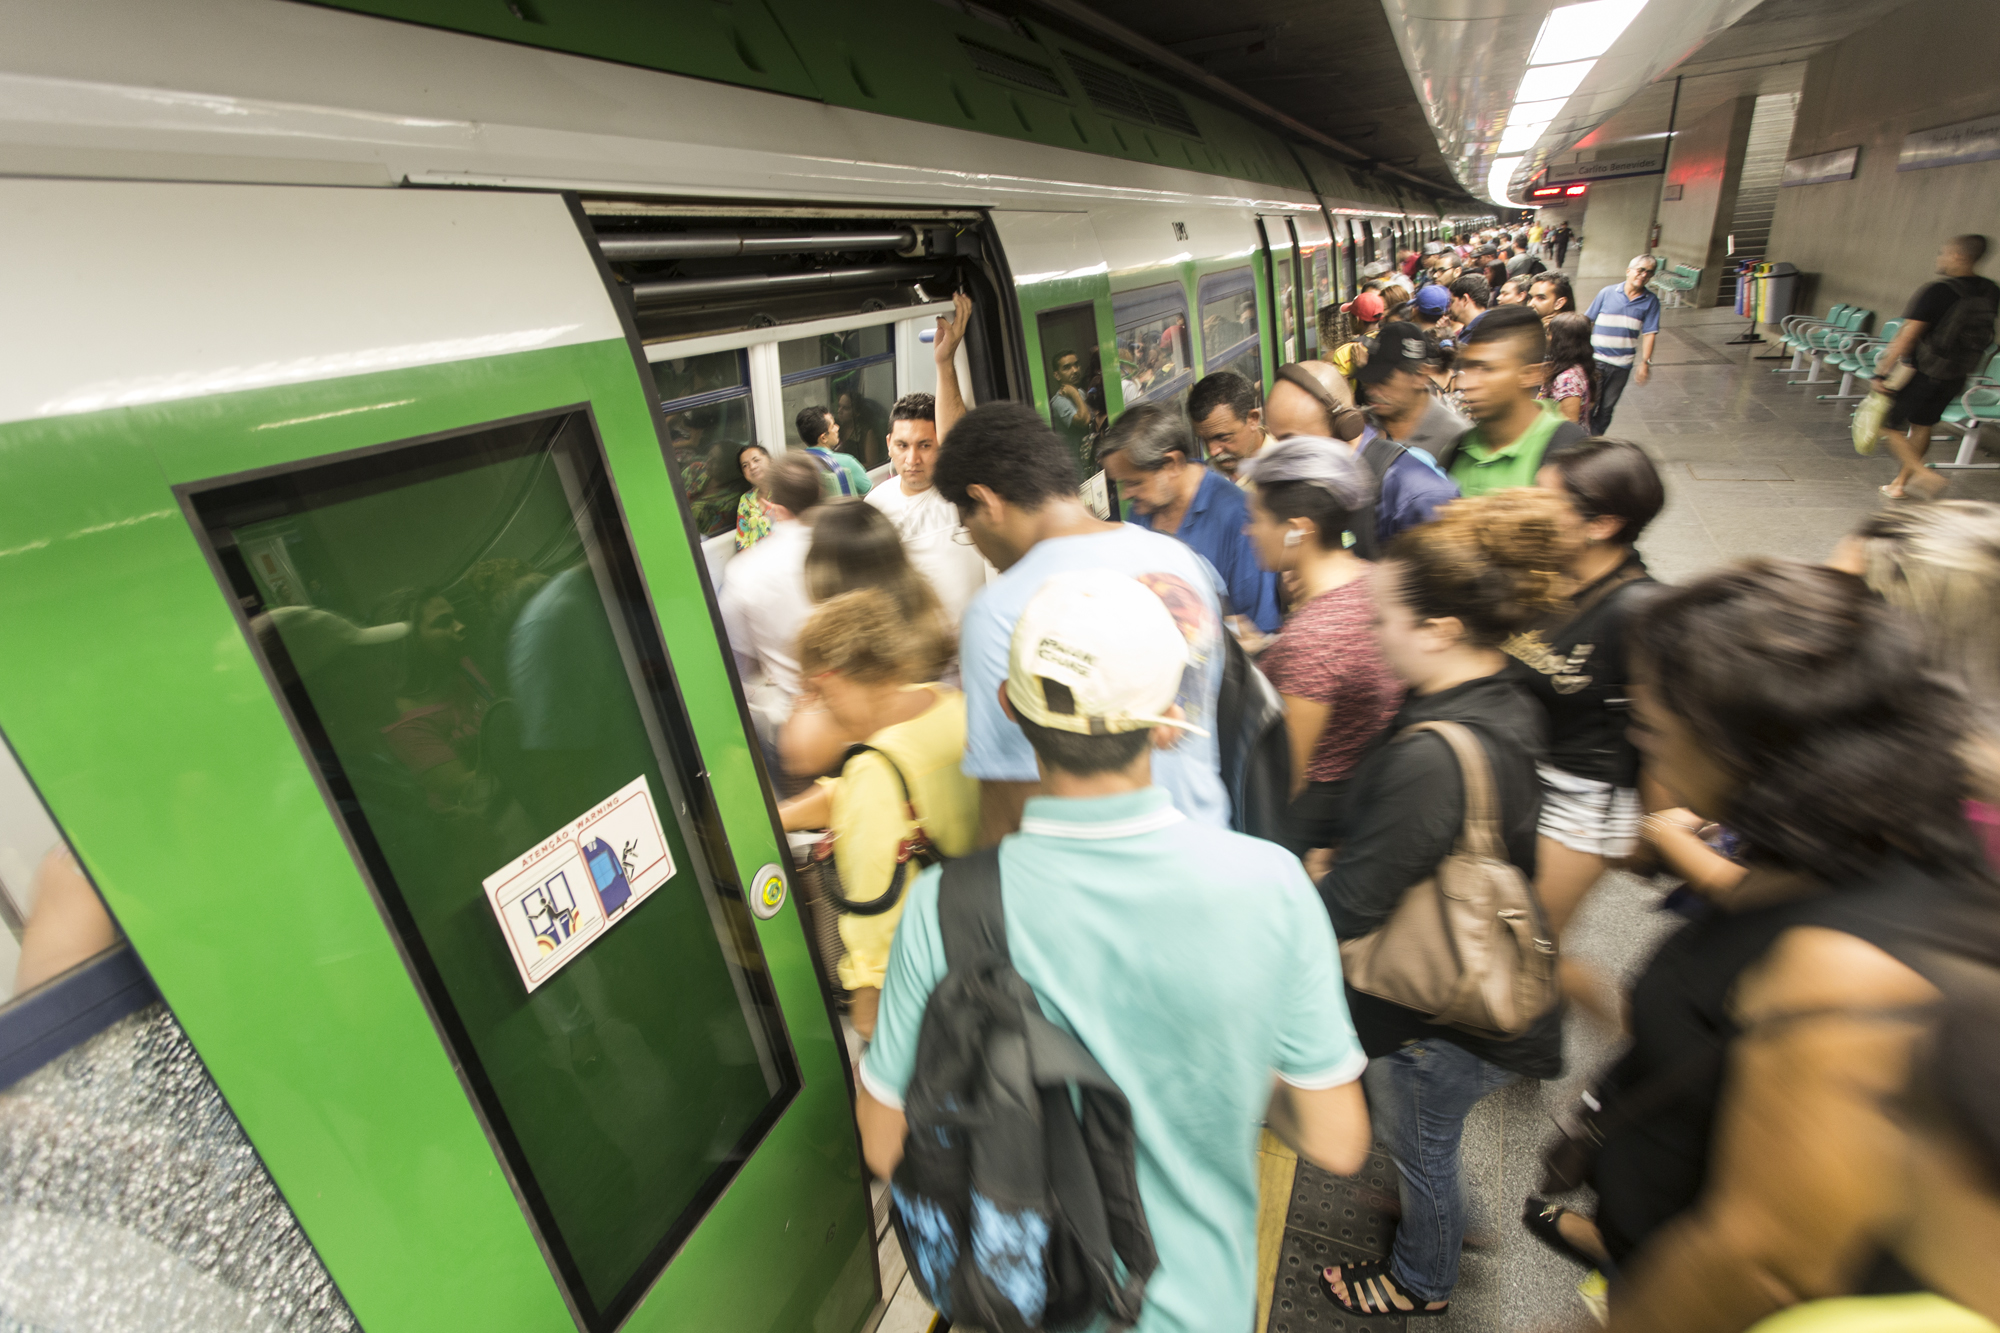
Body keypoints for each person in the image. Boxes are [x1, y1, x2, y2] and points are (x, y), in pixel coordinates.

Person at [856, 569, 1373, 1333]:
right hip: (1201, 1307)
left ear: (1010, 710)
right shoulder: (1271, 884)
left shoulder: (946, 903)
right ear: (1169, 719)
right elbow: (1336, 1140)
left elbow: (883, 1139)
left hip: (1028, 1299)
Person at [1536, 562, 2000, 1333]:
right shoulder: (1870, 836)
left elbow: (1760, 1258)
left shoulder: (1844, 974)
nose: (1638, 745)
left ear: (1747, 750)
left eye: (1651, 726)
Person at [1316, 489, 1578, 1319]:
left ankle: (1419, 1280)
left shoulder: (1432, 754)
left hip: (1437, 1020)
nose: (1373, 630)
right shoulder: (1504, 692)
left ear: (1440, 629)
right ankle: (1448, 1226)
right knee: (1429, 1148)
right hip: (1480, 980)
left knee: (1421, 1145)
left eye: (1386, 616)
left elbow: (1353, 906)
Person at [935, 403, 1230, 841]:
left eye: (966, 526)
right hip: (1208, 839)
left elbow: (1010, 800)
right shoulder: (1180, 560)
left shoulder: (999, 610)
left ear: (984, 499)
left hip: (1096, 879)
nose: (974, 543)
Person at [775, 588, 977, 1039]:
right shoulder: (946, 703)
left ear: (836, 680)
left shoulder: (874, 768)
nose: (820, 707)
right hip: (977, 946)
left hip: (920, 989)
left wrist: (868, 1015)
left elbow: (876, 914)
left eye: (817, 691)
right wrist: (780, 816)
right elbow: (882, 788)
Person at [1507, 439, 1663, 941]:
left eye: (1546, 506)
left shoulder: (1639, 612)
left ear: (1602, 524)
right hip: (1518, 776)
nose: (1530, 515)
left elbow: (1662, 734)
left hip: (1577, 803)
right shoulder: (1547, 576)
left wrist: (1654, 833)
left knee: (1531, 949)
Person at [1241, 438, 1402, 854]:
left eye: (1256, 518)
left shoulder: (1315, 638)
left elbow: (1286, 778)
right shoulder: (1372, 578)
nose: (1249, 531)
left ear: (1297, 530)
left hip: (1311, 822)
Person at [1098, 403, 1282, 636]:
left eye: (1134, 482)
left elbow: (1258, 631)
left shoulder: (1239, 518)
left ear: (1172, 464)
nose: (1126, 494)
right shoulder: (1144, 506)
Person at [1270, 359, 1457, 556]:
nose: (1282, 455)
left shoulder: (1415, 492)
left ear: (1343, 426)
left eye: (1291, 441)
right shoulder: (1312, 483)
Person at [1871, 234, 1997, 500]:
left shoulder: (1938, 290)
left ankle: (1922, 471)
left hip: (1925, 371)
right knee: (1922, 425)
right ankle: (1900, 485)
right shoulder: (1990, 290)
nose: (1940, 258)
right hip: (1958, 373)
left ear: (1958, 256)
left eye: (1943, 253)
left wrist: (1882, 371)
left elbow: (1908, 334)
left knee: (1887, 424)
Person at [718, 451, 824, 740]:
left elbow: (744, 664)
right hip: (862, 699)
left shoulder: (743, 572)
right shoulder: (847, 543)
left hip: (796, 713)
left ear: (769, 506)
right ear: (819, 492)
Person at [866, 391, 991, 625]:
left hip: (971, 639)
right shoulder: (876, 505)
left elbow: (962, 440)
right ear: (889, 445)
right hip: (916, 648)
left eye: (924, 445)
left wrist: (944, 365)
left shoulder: (964, 493)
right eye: (902, 445)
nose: (912, 459)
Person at [1449, 305, 1590, 498]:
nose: (1466, 383)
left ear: (1531, 374)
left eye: (1487, 369)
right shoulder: (1457, 449)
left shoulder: (1568, 452)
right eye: (1467, 368)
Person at [1359, 321, 1473, 470]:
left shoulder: (1455, 438)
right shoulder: (1361, 425)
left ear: (1420, 376)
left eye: (1384, 380)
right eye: (1369, 379)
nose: (1371, 391)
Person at [1583, 256, 1662, 434]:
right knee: (1589, 404)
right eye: (1640, 270)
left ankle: (1594, 441)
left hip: (1621, 365)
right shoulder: (1607, 293)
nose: (1643, 275)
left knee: (1606, 408)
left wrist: (1645, 363)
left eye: (1649, 272)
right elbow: (1588, 321)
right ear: (1628, 271)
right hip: (1596, 360)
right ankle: (1582, 440)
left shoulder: (1651, 301)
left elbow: (1650, 333)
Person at [1188, 370, 1271, 482]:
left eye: (1223, 438)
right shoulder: (1201, 478)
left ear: (1253, 419)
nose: (1212, 451)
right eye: (1204, 440)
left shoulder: (1286, 479)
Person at [796, 404, 873, 497]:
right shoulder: (846, 462)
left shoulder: (797, 463)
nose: (837, 428)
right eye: (833, 426)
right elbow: (872, 494)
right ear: (823, 438)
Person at [1542, 311, 1599, 425]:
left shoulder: (1568, 379)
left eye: (1549, 334)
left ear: (1560, 340)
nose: (1547, 338)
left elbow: (1569, 426)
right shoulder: (1579, 366)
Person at [1048, 346, 1099, 456]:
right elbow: (1084, 421)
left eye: (1076, 365)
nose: (1075, 370)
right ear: (1057, 375)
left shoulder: (1080, 391)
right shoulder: (1058, 401)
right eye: (1067, 367)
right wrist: (1074, 394)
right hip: (1077, 466)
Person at [733, 442, 775, 551]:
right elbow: (742, 541)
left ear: (771, 461)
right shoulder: (746, 499)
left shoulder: (785, 489)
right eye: (745, 465)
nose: (752, 467)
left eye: (756, 460)